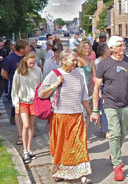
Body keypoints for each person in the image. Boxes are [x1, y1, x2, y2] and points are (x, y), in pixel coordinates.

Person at [38, 49, 92, 183]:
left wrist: (91, 113)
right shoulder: (54, 74)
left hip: (77, 115)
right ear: (63, 60)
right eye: (73, 60)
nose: (76, 62)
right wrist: (55, 85)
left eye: (76, 59)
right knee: (61, 146)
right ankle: (60, 171)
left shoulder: (79, 73)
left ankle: (82, 173)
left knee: (79, 145)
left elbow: (84, 97)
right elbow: (41, 94)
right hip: (60, 116)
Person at [91, 36, 128, 181]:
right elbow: (97, 87)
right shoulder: (104, 64)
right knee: (115, 133)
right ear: (111, 48)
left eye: (123, 45)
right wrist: (95, 110)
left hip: (126, 104)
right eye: (119, 45)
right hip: (109, 104)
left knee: (122, 133)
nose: (122, 47)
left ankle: (114, 151)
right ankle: (117, 165)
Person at [11, 52, 43, 164]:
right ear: (25, 60)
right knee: (26, 125)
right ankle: (24, 150)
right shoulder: (19, 71)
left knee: (31, 126)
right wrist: (16, 104)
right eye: (30, 63)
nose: (32, 65)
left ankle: (29, 149)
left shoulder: (38, 70)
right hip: (23, 102)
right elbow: (14, 89)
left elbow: (41, 86)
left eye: (34, 63)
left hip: (33, 102)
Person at [1, 39, 30, 144]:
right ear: (22, 49)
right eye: (27, 47)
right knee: (18, 111)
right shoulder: (10, 59)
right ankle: (20, 135)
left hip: (28, 89)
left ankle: (27, 131)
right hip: (17, 89)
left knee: (28, 111)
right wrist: (12, 80)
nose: (29, 49)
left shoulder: (28, 56)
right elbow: (3, 73)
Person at [77, 40, 96, 129]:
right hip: (79, 91)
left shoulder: (91, 61)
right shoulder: (77, 60)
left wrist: (97, 89)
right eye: (85, 48)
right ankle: (80, 135)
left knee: (88, 113)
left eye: (89, 48)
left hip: (89, 90)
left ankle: (84, 134)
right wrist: (79, 65)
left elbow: (94, 77)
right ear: (81, 49)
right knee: (81, 113)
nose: (87, 50)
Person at [94, 43, 110, 139]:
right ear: (104, 51)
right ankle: (105, 130)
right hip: (101, 88)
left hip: (108, 87)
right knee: (103, 109)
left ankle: (104, 128)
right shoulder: (97, 63)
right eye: (108, 49)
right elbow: (96, 78)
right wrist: (98, 91)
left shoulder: (108, 61)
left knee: (106, 109)